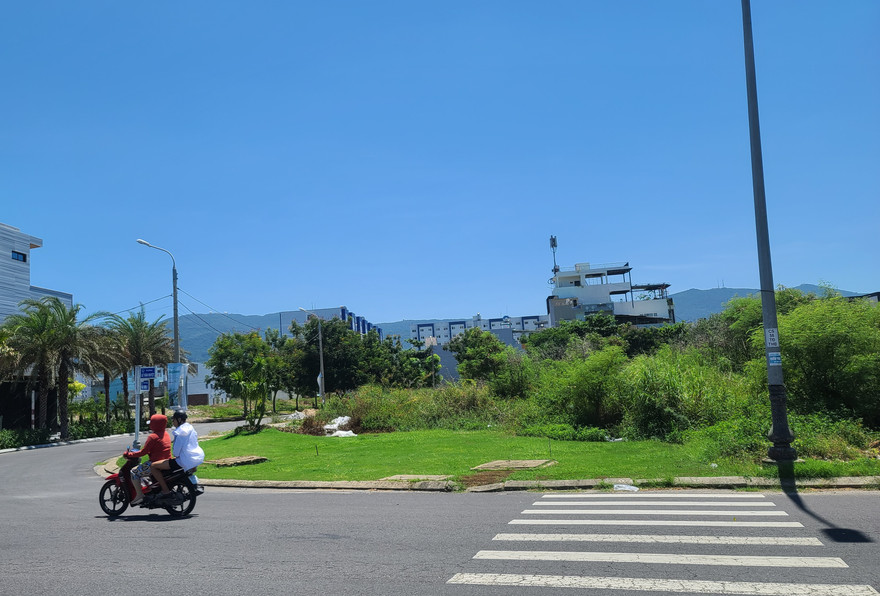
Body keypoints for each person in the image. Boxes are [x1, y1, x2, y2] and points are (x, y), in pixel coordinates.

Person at [151, 410, 204, 492]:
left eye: (173, 420)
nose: (173, 422)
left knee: (154, 466)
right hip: (197, 457)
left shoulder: (179, 432)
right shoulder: (190, 428)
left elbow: (176, 452)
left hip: (184, 460)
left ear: (179, 420)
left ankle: (165, 490)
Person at [125, 414, 172, 506]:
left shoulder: (153, 437)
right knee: (143, 470)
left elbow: (143, 452)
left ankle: (139, 495)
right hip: (166, 462)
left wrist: (129, 454)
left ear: (155, 424)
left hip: (155, 463)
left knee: (134, 472)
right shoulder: (166, 434)